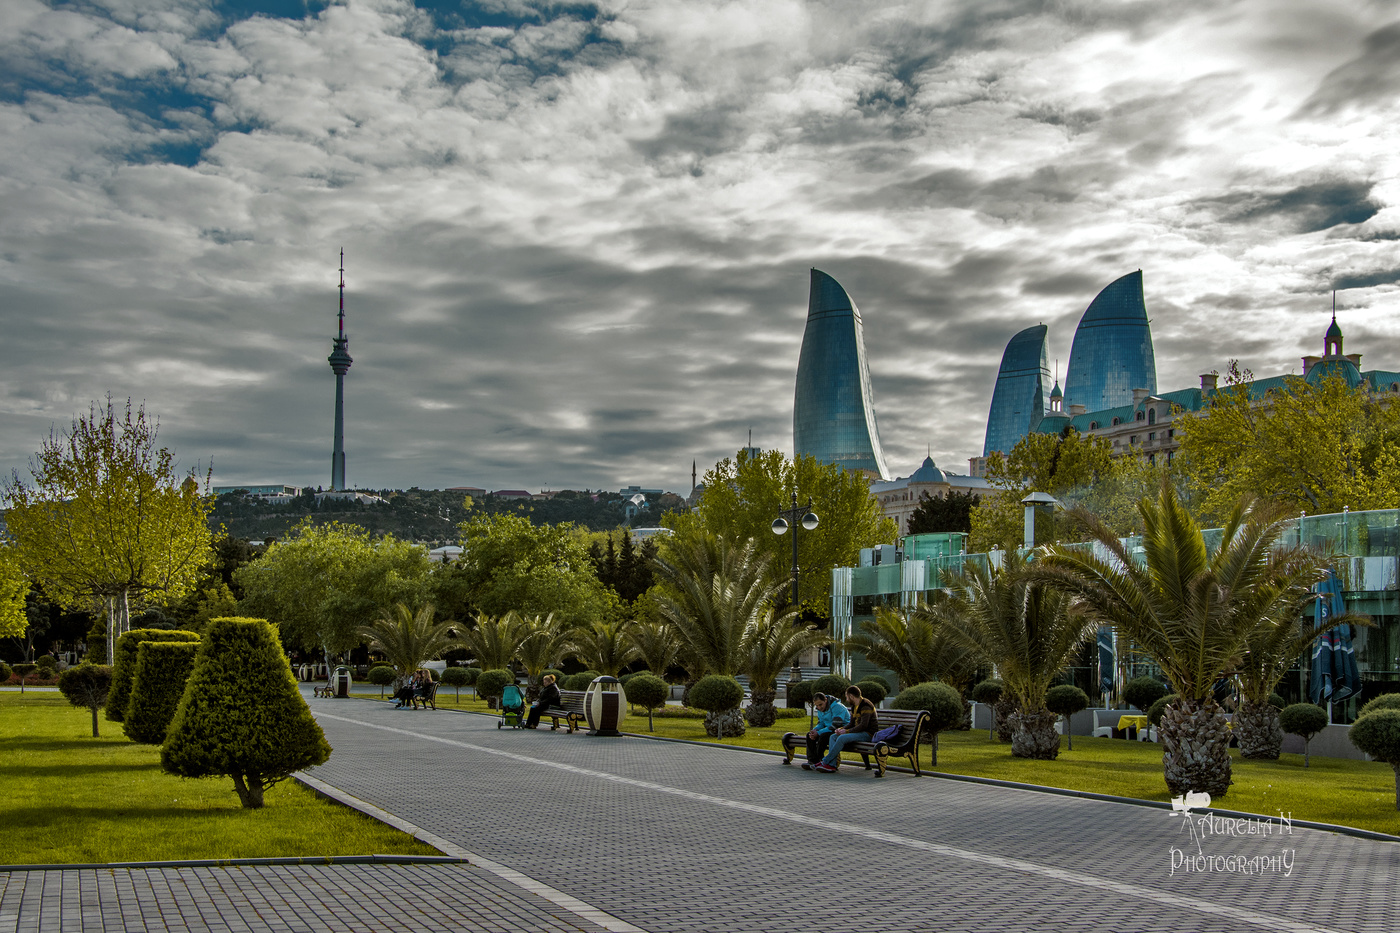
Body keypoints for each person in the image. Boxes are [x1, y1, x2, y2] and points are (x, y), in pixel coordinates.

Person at [815, 685, 878, 773]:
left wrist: (846, 731)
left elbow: (863, 726)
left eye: (847, 697)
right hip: (858, 732)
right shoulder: (854, 706)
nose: (847, 699)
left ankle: (825, 761)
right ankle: (832, 765)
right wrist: (841, 729)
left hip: (867, 734)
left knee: (841, 738)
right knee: (833, 736)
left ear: (851, 696)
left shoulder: (865, 706)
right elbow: (851, 723)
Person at [801, 692, 849, 771]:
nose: (819, 707)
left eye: (820, 705)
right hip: (829, 729)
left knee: (823, 737)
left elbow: (835, 726)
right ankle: (812, 761)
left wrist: (819, 733)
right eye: (816, 705)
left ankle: (821, 760)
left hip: (840, 730)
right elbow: (821, 723)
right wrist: (815, 730)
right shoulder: (820, 709)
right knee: (809, 735)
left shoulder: (837, 707)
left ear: (826, 700)